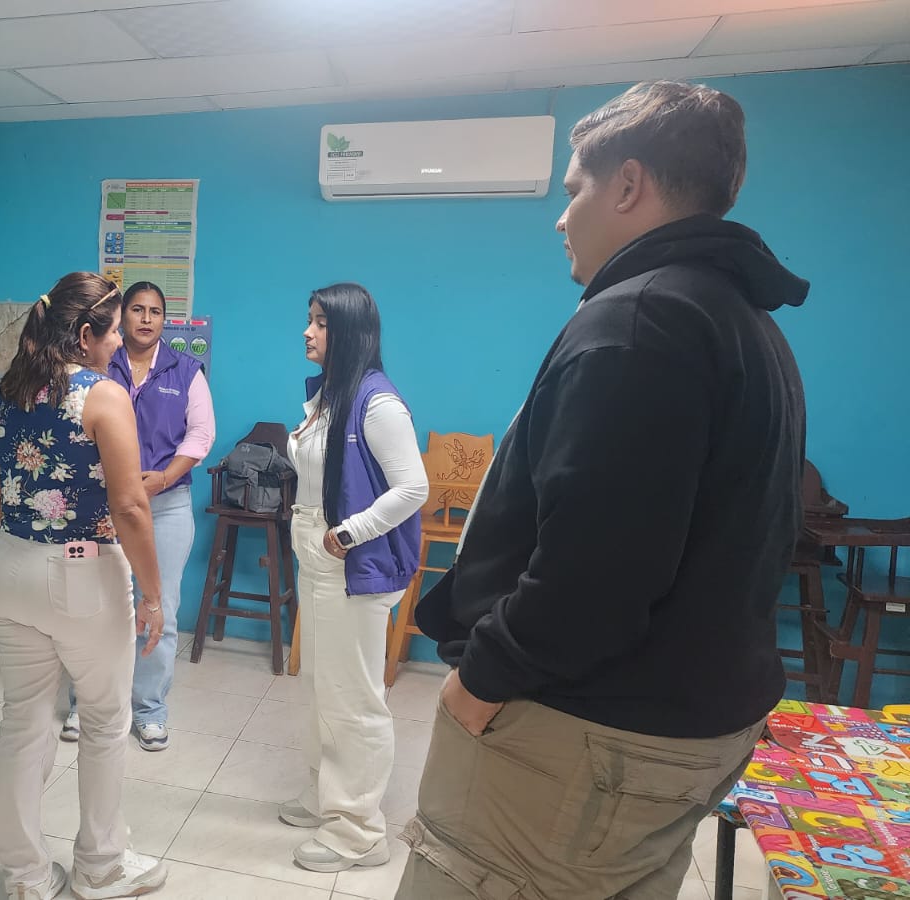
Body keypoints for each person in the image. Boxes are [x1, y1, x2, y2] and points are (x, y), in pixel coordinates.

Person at [400, 81, 807, 899]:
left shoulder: (639, 323)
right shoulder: (742, 321)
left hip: (584, 735)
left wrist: (479, 683)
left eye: (574, 190)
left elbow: (596, 574)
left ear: (627, 185)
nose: (561, 219)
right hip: (680, 724)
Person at [0, 271, 169, 900]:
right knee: (106, 720)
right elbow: (130, 506)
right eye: (113, 332)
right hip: (82, 569)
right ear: (85, 334)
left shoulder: (3, 394)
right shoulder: (102, 396)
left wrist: (26, 549)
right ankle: (101, 866)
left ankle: (27, 878)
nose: (119, 343)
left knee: (23, 722)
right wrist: (153, 594)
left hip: (8, 565)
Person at [277, 283, 428, 873]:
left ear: (349, 331)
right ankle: (328, 797)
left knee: (355, 700)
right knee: (321, 685)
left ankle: (359, 831)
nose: (308, 332)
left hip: (350, 562)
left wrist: (349, 533)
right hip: (318, 556)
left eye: (320, 322)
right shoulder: (331, 393)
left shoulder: (377, 401)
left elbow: (413, 488)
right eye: (309, 319)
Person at [58, 282, 215, 751]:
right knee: (93, 607)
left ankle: (148, 710)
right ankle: (86, 704)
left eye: (156, 312)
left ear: (166, 320)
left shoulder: (185, 370)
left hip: (166, 507)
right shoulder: (97, 364)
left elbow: (201, 435)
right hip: (97, 506)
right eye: (137, 310)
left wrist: (163, 478)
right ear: (121, 316)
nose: (146, 319)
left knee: (158, 607)